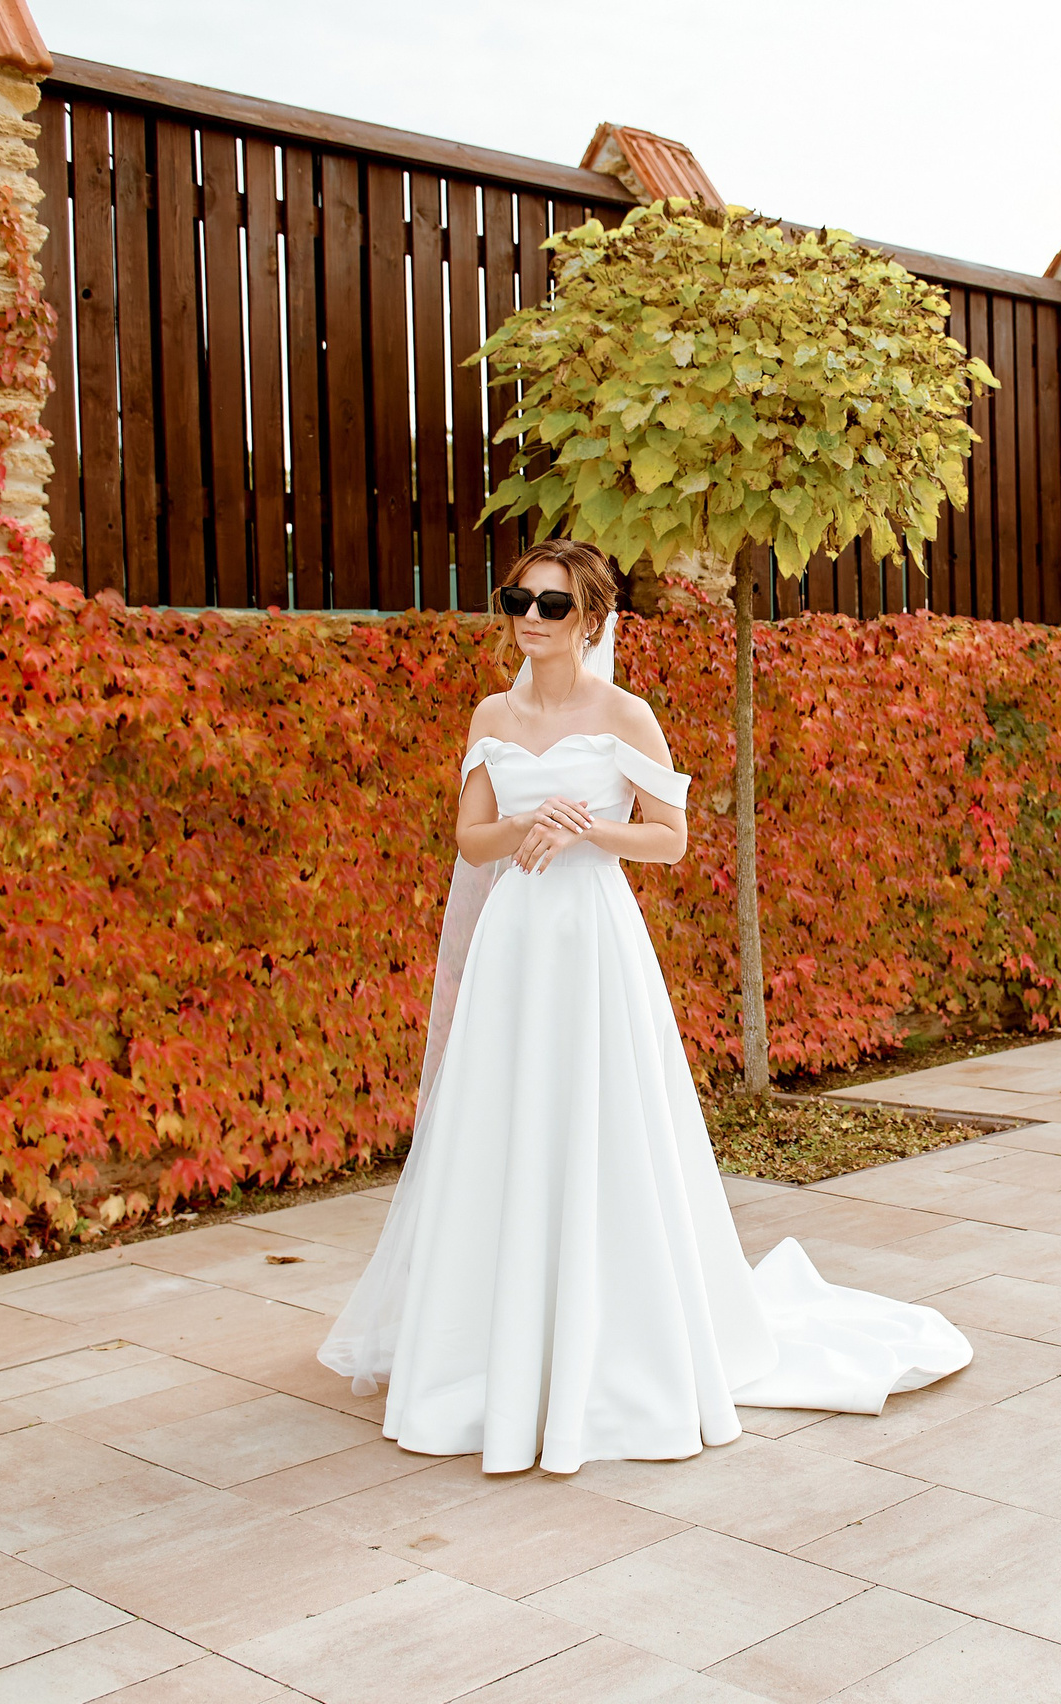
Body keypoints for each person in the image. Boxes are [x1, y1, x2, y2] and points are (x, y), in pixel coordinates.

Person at [319, 539, 970, 1473]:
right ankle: (485, 1349)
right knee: (502, 1126)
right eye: (518, 601)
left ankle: (612, 1346)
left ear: (589, 619)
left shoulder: (626, 714)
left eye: (550, 607)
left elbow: (670, 839)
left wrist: (588, 832)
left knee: (599, 1125)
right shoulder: (491, 712)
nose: (529, 620)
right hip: (514, 946)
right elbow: (470, 840)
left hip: (592, 940)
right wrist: (523, 826)